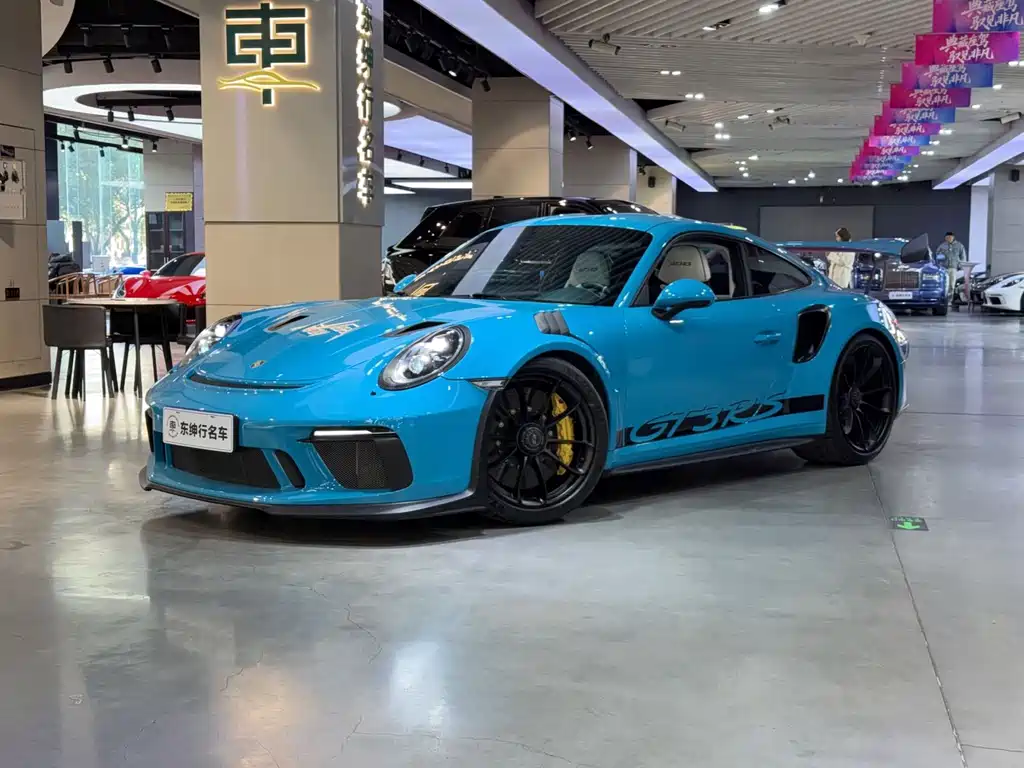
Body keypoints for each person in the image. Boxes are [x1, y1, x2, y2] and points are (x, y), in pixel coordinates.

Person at [935, 231, 966, 298]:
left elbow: (963, 257)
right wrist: (940, 261)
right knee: (944, 284)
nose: (948, 238)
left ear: (953, 237)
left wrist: (960, 266)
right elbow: (937, 256)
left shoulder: (959, 245)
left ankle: (949, 300)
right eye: (947, 237)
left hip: (953, 268)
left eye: (950, 237)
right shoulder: (942, 246)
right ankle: (943, 298)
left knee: (951, 285)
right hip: (943, 268)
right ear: (945, 238)